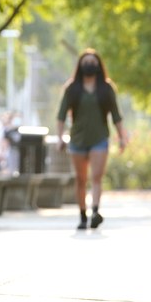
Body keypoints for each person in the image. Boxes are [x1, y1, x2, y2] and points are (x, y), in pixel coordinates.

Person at [56, 49, 129, 230]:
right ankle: (82, 215)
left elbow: (116, 116)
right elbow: (61, 116)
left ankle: (95, 212)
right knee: (81, 180)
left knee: (96, 177)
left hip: (99, 138)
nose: (90, 64)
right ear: (80, 65)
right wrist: (59, 137)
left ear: (98, 65)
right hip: (78, 139)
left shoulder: (106, 88)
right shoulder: (72, 88)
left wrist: (122, 137)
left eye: (93, 61)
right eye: (86, 61)